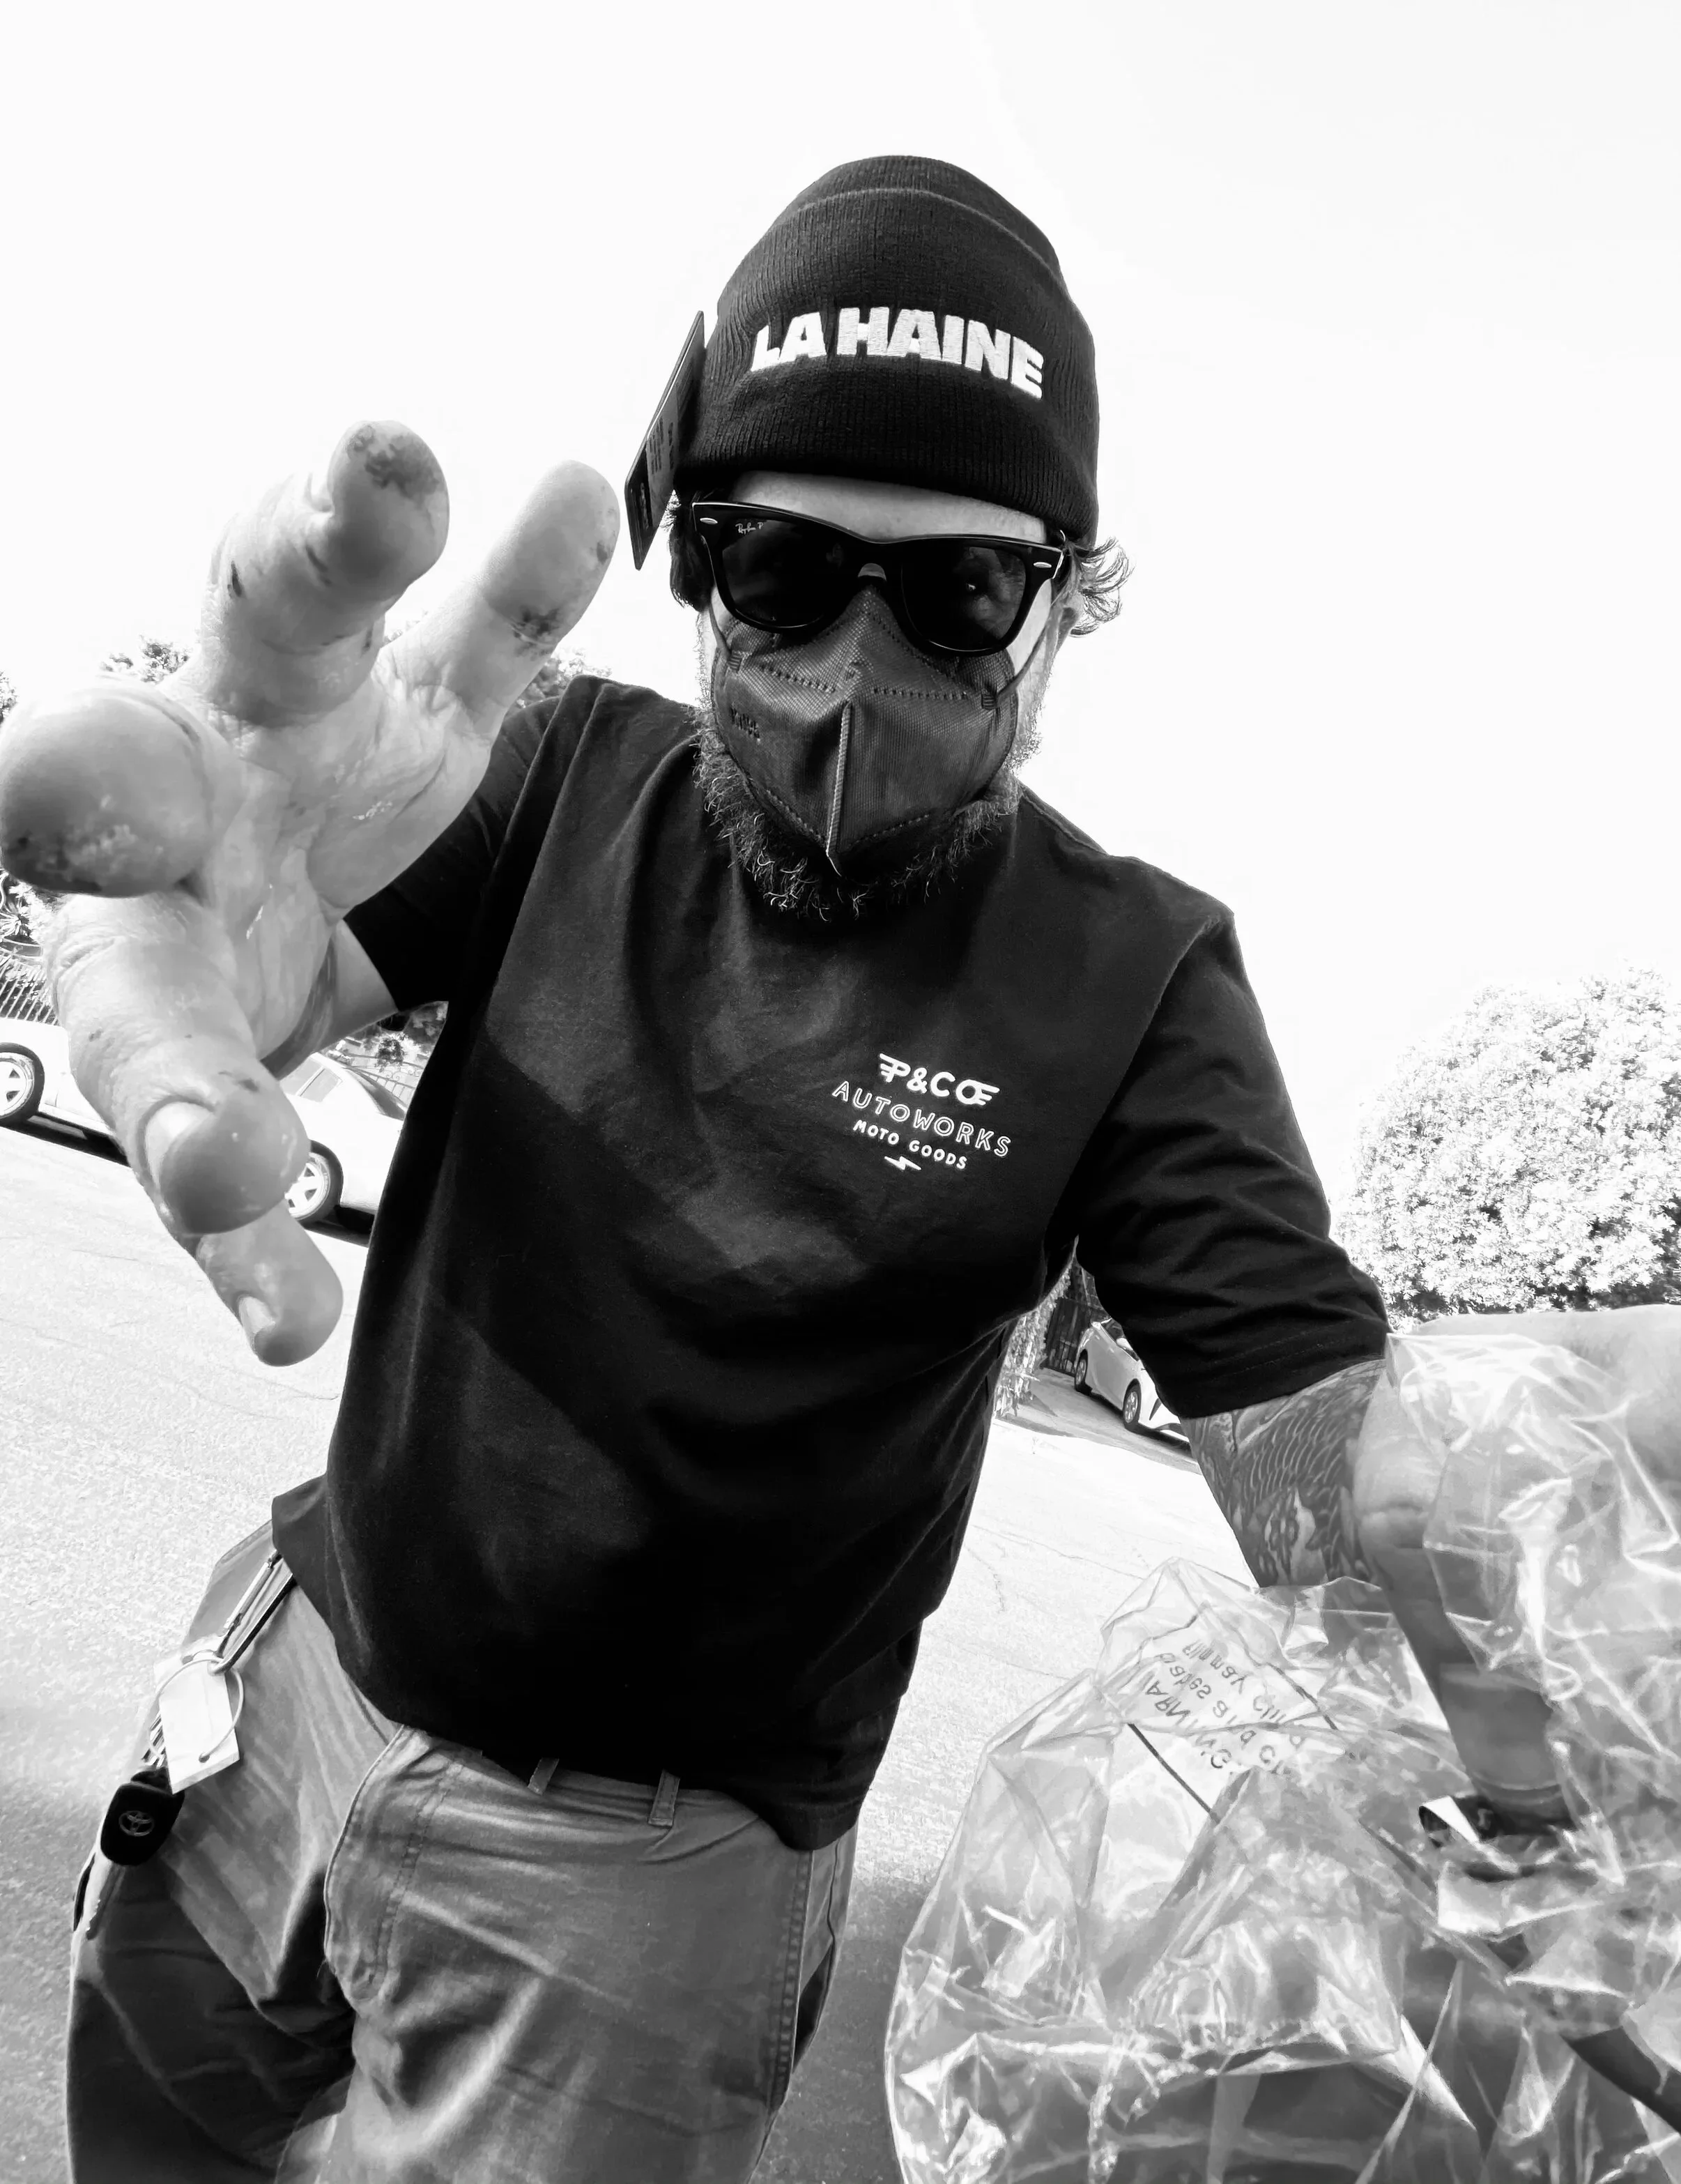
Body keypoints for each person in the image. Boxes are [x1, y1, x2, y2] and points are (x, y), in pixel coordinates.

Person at [6, 153, 1668, 2184]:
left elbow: (1329, 1458)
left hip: (632, 1892)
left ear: (1063, 601)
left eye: (957, 592)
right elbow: (280, 968)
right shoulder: (554, 773)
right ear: (689, 556)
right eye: (783, 568)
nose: (854, 675)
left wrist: (1541, 1719)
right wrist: (226, 926)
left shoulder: (1133, 982)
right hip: (288, 1679)